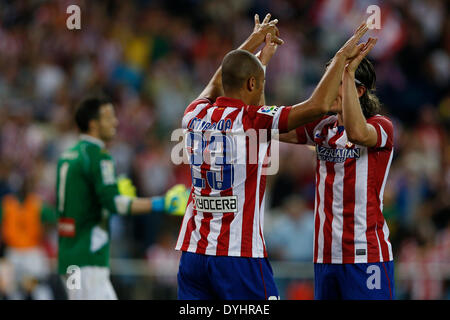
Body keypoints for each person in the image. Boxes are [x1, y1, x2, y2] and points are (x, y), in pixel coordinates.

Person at [175, 13, 372, 300]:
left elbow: (223, 77)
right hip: (238, 256)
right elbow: (317, 106)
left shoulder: (192, 113)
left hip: (192, 253)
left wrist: (254, 45)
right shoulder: (254, 119)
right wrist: (341, 57)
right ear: (254, 85)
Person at [279, 38, 396, 299]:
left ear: (360, 91)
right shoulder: (322, 127)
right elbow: (272, 126)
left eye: (338, 83)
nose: (328, 90)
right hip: (325, 256)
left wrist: (348, 68)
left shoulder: (381, 127)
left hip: (367, 255)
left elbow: (356, 132)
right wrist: (261, 63)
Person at [56, 96, 188, 300]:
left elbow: (82, 204)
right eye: (109, 117)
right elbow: (117, 204)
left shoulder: (68, 156)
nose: (115, 122)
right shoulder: (99, 157)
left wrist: (111, 192)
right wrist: (162, 203)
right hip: (89, 258)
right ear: (93, 124)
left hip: (69, 255)